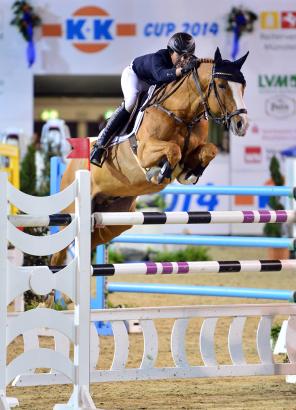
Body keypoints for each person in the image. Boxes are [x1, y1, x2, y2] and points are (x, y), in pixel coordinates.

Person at [90, 32, 197, 167]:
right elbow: (161, 75)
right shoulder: (159, 57)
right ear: (171, 52)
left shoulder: (183, 62)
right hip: (135, 76)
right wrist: (181, 71)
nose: (184, 60)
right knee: (131, 102)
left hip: (152, 85)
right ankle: (101, 144)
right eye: (181, 56)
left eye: (188, 56)